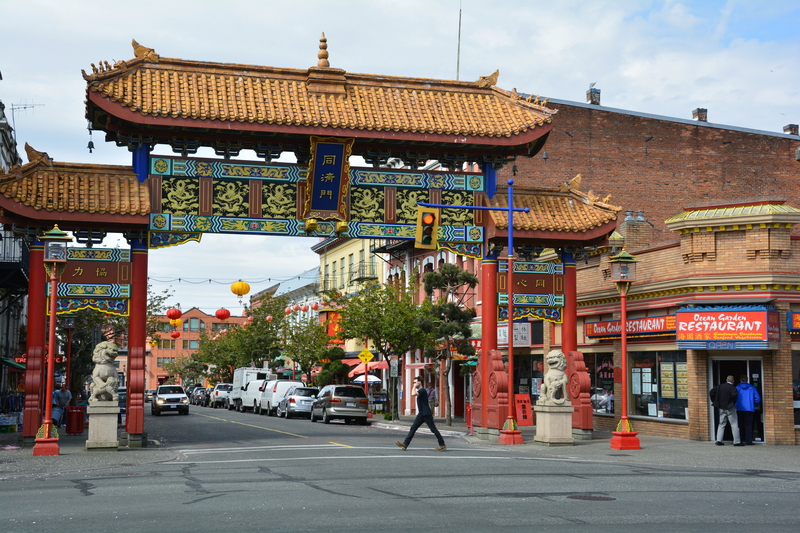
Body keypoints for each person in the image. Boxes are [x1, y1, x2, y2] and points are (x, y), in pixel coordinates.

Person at [396, 375, 447, 452]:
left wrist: (414, 386)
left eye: (415, 382)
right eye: (413, 382)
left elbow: (413, 394)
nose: (414, 384)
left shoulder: (422, 390)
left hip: (426, 414)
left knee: (433, 429)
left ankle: (442, 445)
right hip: (421, 414)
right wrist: (414, 386)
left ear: (419, 383)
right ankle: (405, 444)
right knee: (413, 428)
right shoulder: (421, 391)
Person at [709, 375, 742, 446]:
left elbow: (711, 392)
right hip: (730, 408)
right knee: (734, 424)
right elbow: (734, 395)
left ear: (726, 380)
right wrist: (731, 403)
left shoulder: (720, 386)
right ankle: (736, 441)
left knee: (721, 424)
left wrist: (715, 401)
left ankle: (719, 440)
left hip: (721, 407)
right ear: (733, 381)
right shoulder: (732, 388)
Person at [735, 375, 761, 445]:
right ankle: (748, 441)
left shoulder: (736, 388)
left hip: (739, 409)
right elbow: (757, 398)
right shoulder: (752, 388)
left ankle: (739, 440)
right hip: (749, 409)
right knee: (749, 425)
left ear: (740, 380)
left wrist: (735, 405)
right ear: (747, 380)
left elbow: (733, 397)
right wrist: (754, 405)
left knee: (739, 425)